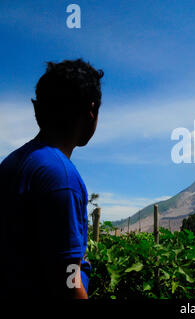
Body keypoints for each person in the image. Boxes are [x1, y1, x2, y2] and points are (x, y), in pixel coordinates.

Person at [0, 59, 103, 299]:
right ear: (91, 111)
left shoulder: (12, 163)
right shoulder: (62, 177)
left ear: (37, 109)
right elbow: (67, 284)